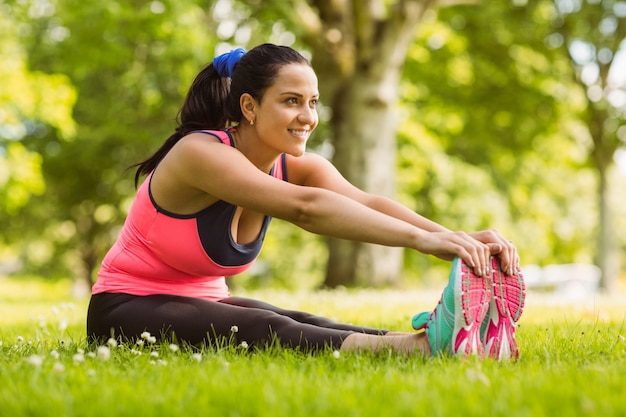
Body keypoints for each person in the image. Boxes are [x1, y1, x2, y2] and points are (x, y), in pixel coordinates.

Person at [87, 43, 525, 359]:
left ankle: (443, 339)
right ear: (250, 107)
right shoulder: (199, 154)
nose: (308, 117)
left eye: (312, 102)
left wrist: (456, 238)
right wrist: (420, 242)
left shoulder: (295, 163)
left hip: (205, 300)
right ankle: (422, 349)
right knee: (267, 328)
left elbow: (367, 204)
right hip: (125, 306)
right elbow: (306, 208)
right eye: (291, 101)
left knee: (306, 321)